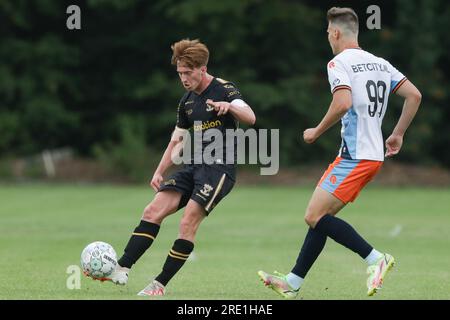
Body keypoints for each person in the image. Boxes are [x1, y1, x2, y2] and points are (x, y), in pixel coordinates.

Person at [258, 7, 421, 298]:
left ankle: (375, 258)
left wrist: (316, 131)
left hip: (355, 157)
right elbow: (414, 95)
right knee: (322, 218)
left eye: (327, 34)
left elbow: (343, 103)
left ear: (334, 32)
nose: (328, 39)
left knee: (313, 215)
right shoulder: (379, 63)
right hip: (370, 157)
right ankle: (293, 282)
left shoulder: (338, 63)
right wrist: (397, 133)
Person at [94, 39, 256, 296]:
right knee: (152, 210)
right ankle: (122, 267)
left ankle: (159, 285)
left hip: (219, 171)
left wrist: (230, 108)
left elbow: (250, 116)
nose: (183, 78)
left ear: (202, 69)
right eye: (179, 73)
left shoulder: (224, 89)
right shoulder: (187, 102)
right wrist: (159, 171)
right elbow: (177, 140)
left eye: (188, 72)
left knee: (187, 223)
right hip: (193, 166)